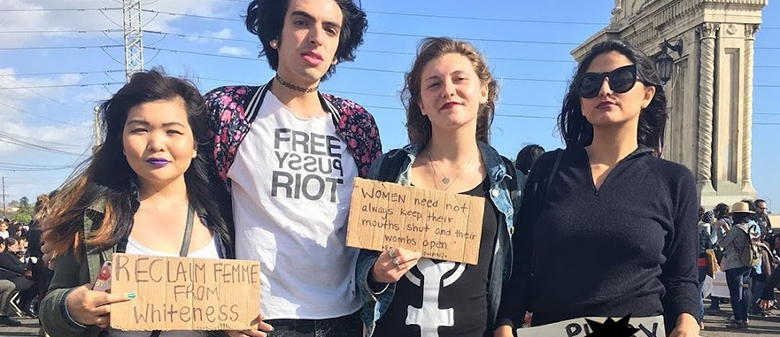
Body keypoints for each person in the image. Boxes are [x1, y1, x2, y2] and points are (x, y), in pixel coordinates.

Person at [37, 70, 265, 337]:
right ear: (121, 142)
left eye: (173, 131)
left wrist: (235, 324)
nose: (156, 144)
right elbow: (51, 305)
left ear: (194, 145)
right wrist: (70, 307)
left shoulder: (228, 214)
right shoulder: (92, 215)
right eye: (139, 130)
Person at [495, 39, 700, 337]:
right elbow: (523, 264)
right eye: (590, 84)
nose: (605, 90)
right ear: (581, 101)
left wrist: (687, 323)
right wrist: (505, 323)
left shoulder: (675, 180)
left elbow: (682, 279)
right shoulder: (548, 170)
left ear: (647, 94)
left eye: (621, 79)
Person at [203, 0, 379, 335]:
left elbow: (370, 218)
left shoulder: (357, 123)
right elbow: (197, 206)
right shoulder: (229, 111)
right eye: (302, 22)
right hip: (261, 319)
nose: (316, 38)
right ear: (274, 34)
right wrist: (221, 303)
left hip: (348, 317)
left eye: (331, 29)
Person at [355, 37, 515, 337]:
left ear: (484, 91)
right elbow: (355, 261)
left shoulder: (509, 181)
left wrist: (506, 323)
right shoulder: (389, 169)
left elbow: (517, 274)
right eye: (434, 84)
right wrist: (376, 274)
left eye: (459, 79)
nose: (448, 91)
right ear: (421, 104)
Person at [720, 202, 758, 329]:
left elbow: (723, 243)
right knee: (746, 291)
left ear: (735, 216)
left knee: (735, 293)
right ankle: (745, 317)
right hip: (748, 262)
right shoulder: (752, 227)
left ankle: (738, 319)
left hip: (734, 263)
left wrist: (719, 230)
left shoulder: (736, 228)